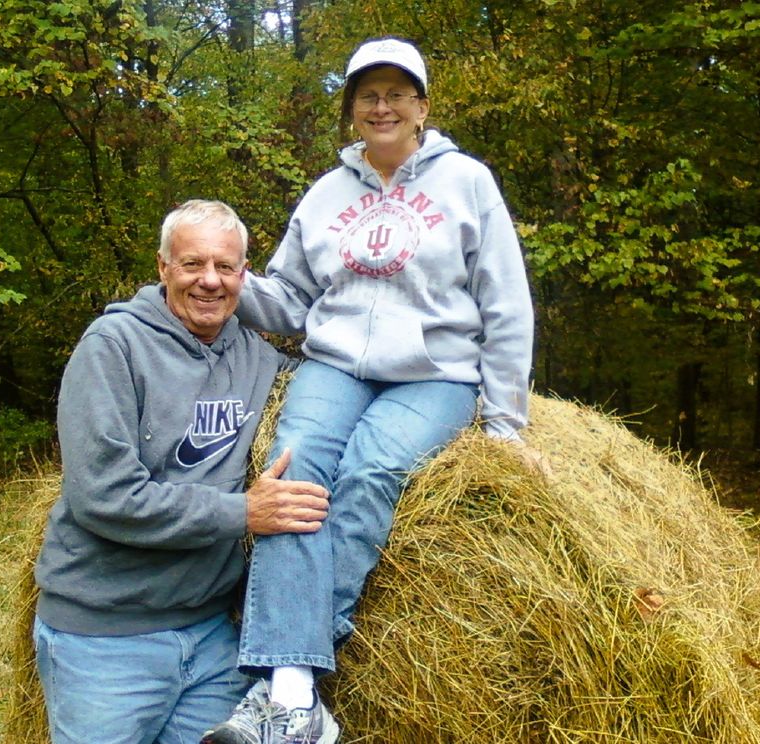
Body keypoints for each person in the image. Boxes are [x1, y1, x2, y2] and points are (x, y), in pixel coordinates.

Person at [201, 38, 538, 744]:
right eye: (367, 96)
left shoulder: (467, 182)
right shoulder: (327, 194)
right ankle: (296, 693)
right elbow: (291, 299)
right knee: (293, 467)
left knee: (372, 471)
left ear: (422, 107)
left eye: (395, 94)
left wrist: (506, 427)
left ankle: (285, 678)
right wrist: (230, 283)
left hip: (436, 373)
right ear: (353, 112)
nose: (381, 107)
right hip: (337, 364)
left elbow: (505, 303)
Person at [32, 199, 331, 744]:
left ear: (246, 274)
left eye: (226, 266)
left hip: (214, 640)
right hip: (106, 640)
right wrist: (245, 513)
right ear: (163, 267)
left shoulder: (256, 357)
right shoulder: (113, 348)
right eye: (193, 264)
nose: (210, 282)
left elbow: (328, 400)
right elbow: (105, 497)